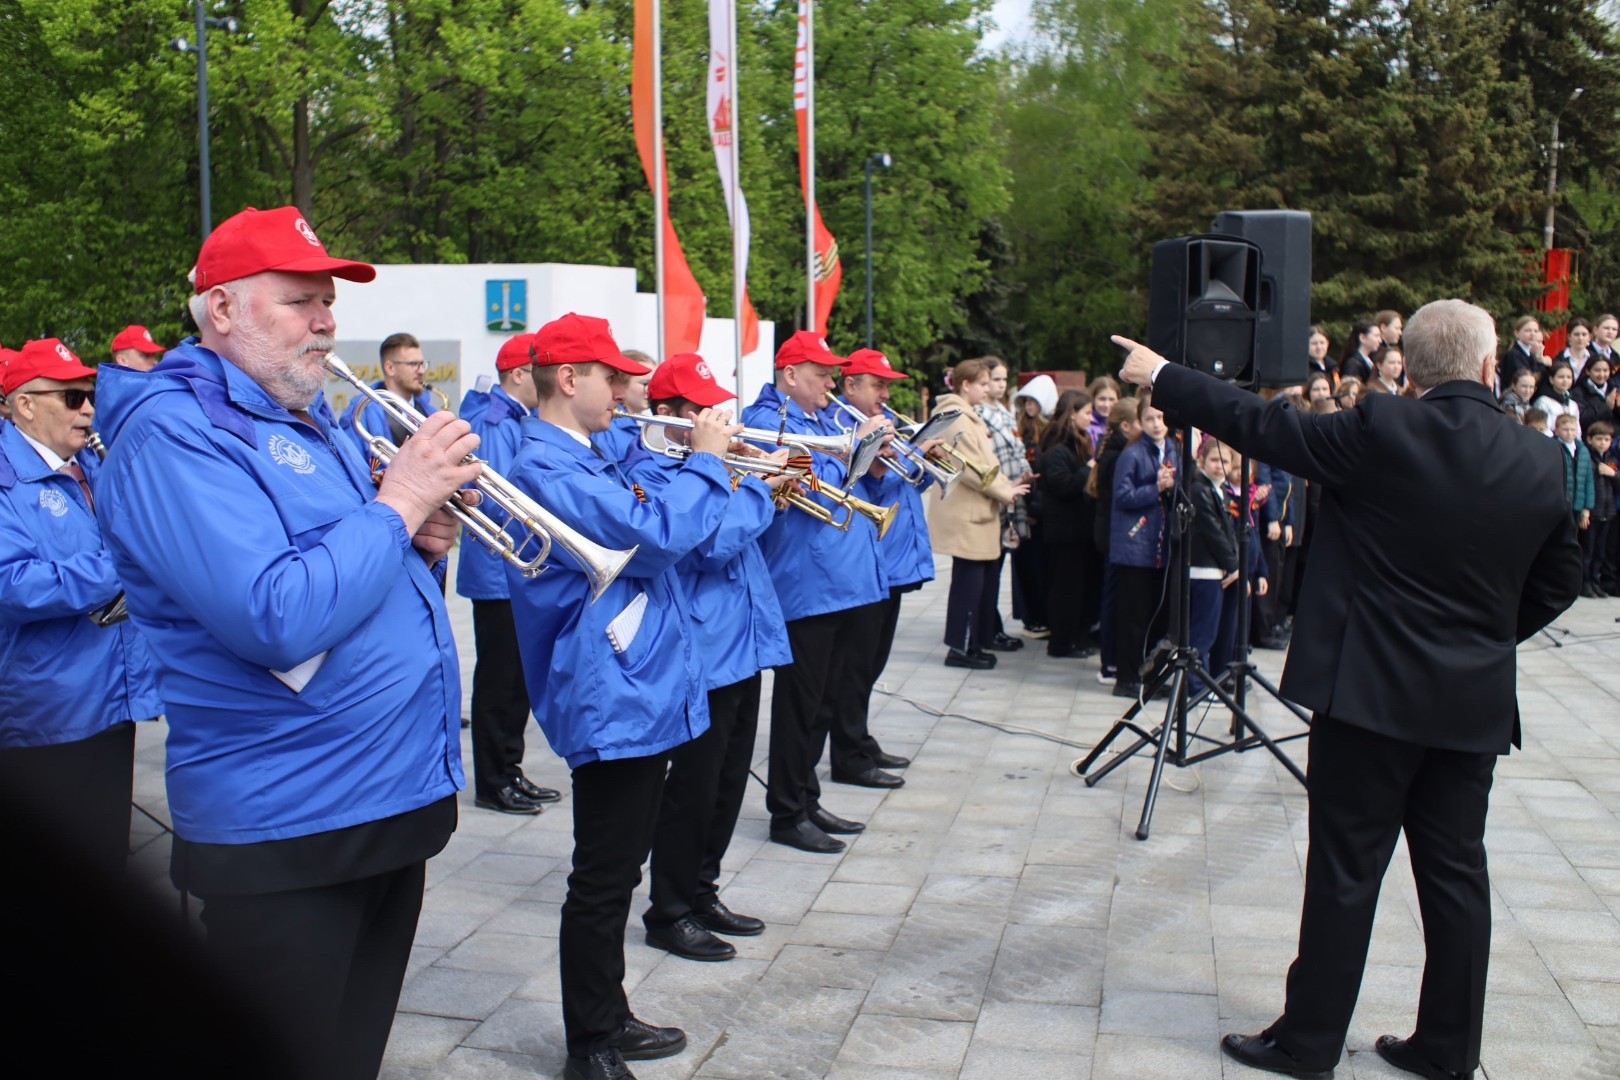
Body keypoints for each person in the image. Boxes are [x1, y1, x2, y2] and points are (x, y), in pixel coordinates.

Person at [1113, 296, 1582, 1080]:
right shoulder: (1538, 457)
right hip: (1469, 706)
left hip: (1369, 695)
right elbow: (1561, 579)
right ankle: (1448, 1049)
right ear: (1490, 367)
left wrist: (1164, 376)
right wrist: (1485, 640)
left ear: (1413, 368)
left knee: (1345, 872)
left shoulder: (1383, 427)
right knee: (1457, 877)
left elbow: (1265, 427)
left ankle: (1309, 1042)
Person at [95, 205, 479, 1080]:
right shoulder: (174, 431)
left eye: (328, 302)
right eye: (300, 301)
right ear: (223, 309)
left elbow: (343, 566)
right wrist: (399, 504)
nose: (325, 321)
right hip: (290, 823)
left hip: (380, 799)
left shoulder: (306, 415)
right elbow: (276, 614)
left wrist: (409, 542)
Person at [503, 314, 739, 1080]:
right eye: (612, 378)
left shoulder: (587, 452)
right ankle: (591, 1044)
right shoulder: (548, 465)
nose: (625, 392)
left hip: (635, 679)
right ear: (569, 379)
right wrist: (707, 462)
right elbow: (654, 535)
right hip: (609, 689)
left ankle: (609, 1013)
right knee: (603, 877)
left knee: (620, 867)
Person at [633, 352, 790, 963]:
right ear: (667, 413)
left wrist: (759, 488)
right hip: (703, 648)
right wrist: (757, 491)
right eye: (699, 409)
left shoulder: (711, 465)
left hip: (740, 640)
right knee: (693, 788)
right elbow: (707, 545)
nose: (714, 419)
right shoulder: (653, 470)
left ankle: (703, 890)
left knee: (728, 781)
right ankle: (669, 910)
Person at [0, 338, 162, 880]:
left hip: (113, 699)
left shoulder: (90, 462)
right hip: (49, 715)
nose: (88, 409)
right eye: (72, 398)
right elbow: (11, 584)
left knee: (106, 859)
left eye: (90, 396)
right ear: (26, 405)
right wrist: (122, 565)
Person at [741, 331, 891, 854]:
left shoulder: (823, 419)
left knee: (824, 702)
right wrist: (855, 447)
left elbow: (855, 485)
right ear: (789, 375)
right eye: (822, 374)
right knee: (800, 706)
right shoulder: (767, 420)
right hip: (805, 584)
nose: (831, 383)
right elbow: (800, 481)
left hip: (840, 581)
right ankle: (787, 811)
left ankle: (806, 798)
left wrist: (871, 456)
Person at [455, 332, 559, 814]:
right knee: (500, 681)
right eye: (540, 373)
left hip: (511, 568)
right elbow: (499, 499)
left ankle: (509, 770)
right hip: (500, 571)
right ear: (519, 375)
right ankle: (493, 781)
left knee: (516, 680)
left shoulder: (511, 417)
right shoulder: (495, 421)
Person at [824, 348, 928, 787]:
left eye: (888, 386)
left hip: (892, 561)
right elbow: (865, 490)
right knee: (855, 665)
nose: (886, 394)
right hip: (867, 563)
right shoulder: (840, 429)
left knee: (872, 661)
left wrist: (921, 458)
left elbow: (909, 486)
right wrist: (897, 457)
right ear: (850, 385)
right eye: (878, 385)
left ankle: (860, 739)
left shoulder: (882, 425)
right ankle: (848, 754)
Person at [927, 357, 1031, 669]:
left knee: (980, 583)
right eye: (983, 384)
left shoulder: (967, 415)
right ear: (965, 385)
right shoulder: (955, 417)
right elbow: (971, 468)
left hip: (977, 511)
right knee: (968, 585)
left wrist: (1006, 486)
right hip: (968, 514)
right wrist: (1006, 491)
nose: (987, 390)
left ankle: (973, 643)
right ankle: (960, 648)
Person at [1108, 393, 1176, 699]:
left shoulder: (1172, 449)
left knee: (1158, 617)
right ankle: (1126, 677)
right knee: (1134, 617)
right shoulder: (1132, 454)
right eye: (1149, 419)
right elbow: (1122, 496)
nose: (1156, 424)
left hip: (1161, 546)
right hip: (1135, 546)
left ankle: (1152, 676)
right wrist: (1156, 487)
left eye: (1160, 418)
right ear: (1140, 422)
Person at [1035, 390, 1097, 659]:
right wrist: (1088, 469)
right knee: (1065, 590)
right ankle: (1061, 643)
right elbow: (1063, 486)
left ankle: (1073, 638)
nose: (1091, 419)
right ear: (1072, 414)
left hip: (1076, 530)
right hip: (1064, 531)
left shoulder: (1076, 443)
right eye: (1087, 413)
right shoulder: (1058, 449)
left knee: (1076, 588)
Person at [979, 356, 1036, 649]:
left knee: (999, 563)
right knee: (991, 565)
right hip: (995, 496)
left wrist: (1025, 471)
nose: (1000, 385)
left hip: (1013, 495)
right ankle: (987, 628)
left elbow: (1015, 448)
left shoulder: (1004, 411)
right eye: (995, 380)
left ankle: (990, 626)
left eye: (1003, 379)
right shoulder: (978, 413)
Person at [1089, 397, 1141, 685]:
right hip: (1113, 534)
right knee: (1113, 598)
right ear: (1126, 426)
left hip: (1110, 532)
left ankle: (1111, 659)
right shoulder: (1119, 454)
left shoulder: (1117, 449)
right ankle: (1109, 661)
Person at [340, 330, 437, 458]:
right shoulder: (359, 412)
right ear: (390, 368)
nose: (421, 371)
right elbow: (352, 462)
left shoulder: (431, 413)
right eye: (413, 364)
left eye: (422, 364)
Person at [1186, 437, 1240, 666]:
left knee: (1209, 633)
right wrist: (1234, 565)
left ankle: (1202, 679)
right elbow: (1213, 531)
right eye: (1214, 460)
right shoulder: (1200, 489)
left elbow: (1228, 531)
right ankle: (1196, 682)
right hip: (1204, 569)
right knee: (1202, 635)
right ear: (1202, 461)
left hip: (1215, 569)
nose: (1219, 466)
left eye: (1225, 462)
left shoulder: (1220, 490)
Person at [1582, 421, 1615, 598]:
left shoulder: (1611, 460)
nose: (1603, 443)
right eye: (1599, 439)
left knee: (1600, 551)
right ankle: (1585, 583)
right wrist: (1586, 509)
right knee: (1588, 550)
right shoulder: (1587, 457)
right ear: (1590, 439)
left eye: (1607, 439)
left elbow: (1617, 482)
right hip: (1593, 511)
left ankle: (1595, 582)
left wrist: (1613, 474)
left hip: (1607, 512)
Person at [1554, 412, 1594, 533]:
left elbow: (1588, 480)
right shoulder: (1552, 447)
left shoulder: (1583, 450)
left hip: (1577, 505)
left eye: (1573, 429)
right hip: (1559, 505)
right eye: (1565, 430)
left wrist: (1587, 508)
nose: (1570, 433)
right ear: (1556, 431)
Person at [1533, 360, 1581, 438]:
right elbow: (1543, 428)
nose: (1565, 380)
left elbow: (1577, 431)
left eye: (1569, 377)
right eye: (1561, 377)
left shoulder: (1573, 404)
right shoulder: (1543, 401)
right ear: (1551, 379)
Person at [1499, 315, 1547, 387]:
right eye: (1528, 330)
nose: (1532, 334)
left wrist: (1540, 359)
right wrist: (1540, 363)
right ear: (1517, 333)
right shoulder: (1513, 354)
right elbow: (1528, 379)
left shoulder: (1531, 354)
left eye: (1535, 331)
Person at [1572, 355, 1617, 431]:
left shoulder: (1614, 388)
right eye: (1597, 370)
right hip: (1592, 434)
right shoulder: (1579, 392)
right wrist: (1606, 407)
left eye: (1605, 370)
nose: (1602, 375)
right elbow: (1582, 418)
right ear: (1588, 371)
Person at [1335, 321, 1380, 385]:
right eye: (1376, 336)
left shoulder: (1370, 360)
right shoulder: (1353, 363)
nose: (1380, 340)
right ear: (1363, 338)